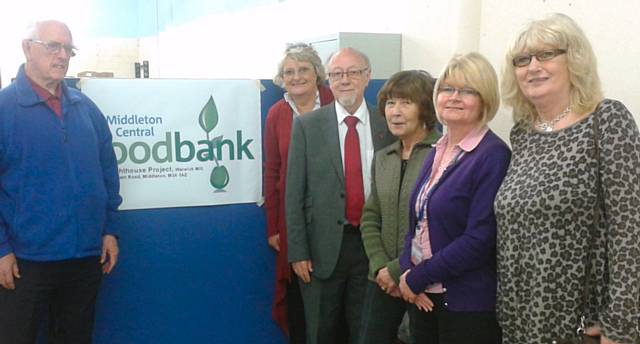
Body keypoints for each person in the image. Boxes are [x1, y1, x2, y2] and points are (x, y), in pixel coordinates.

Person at [495, 13, 640, 344]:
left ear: (574, 59)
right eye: (522, 60)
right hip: (520, 319)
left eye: (546, 54)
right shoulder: (523, 133)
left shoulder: (607, 120)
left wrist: (620, 325)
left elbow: (630, 230)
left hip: (582, 323)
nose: (533, 67)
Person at [0, 20, 121, 343]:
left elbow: (108, 172)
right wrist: (1, 249)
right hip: (25, 262)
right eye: (53, 46)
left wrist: (109, 229)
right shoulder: (4, 110)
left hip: (84, 258)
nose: (62, 56)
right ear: (27, 48)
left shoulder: (87, 110)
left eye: (68, 49)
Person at [398, 52, 510, 344]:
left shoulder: (492, 155)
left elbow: (479, 240)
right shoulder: (437, 150)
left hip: (465, 305)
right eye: (447, 89)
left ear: (485, 100)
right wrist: (408, 272)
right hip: (424, 296)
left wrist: (415, 277)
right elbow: (417, 222)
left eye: (468, 90)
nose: (454, 97)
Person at [286, 47, 395, 344]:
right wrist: (297, 251)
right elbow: (293, 193)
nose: (345, 80)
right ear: (329, 80)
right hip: (322, 250)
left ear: (368, 76)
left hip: (373, 248)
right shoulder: (307, 126)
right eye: (337, 74)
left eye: (353, 72)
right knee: (321, 332)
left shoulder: (387, 125)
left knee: (367, 332)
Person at [358, 70, 441, 344]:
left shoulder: (442, 154)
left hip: (423, 280)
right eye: (390, 103)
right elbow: (371, 217)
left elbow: (436, 224)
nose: (395, 111)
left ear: (425, 108)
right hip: (380, 280)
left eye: (406, 102)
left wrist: (398, 270)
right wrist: (382, 267)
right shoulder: (384, 157)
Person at [263, 42, 334, 343]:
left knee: (333, 304)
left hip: (334, 219)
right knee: (298, 304)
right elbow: (272, 172)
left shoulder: (336, 104)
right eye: (288, 72)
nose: (296, 77)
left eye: (303, 69)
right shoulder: (277, 115)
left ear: (317, 73)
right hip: (293, 222)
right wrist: (274, 227)